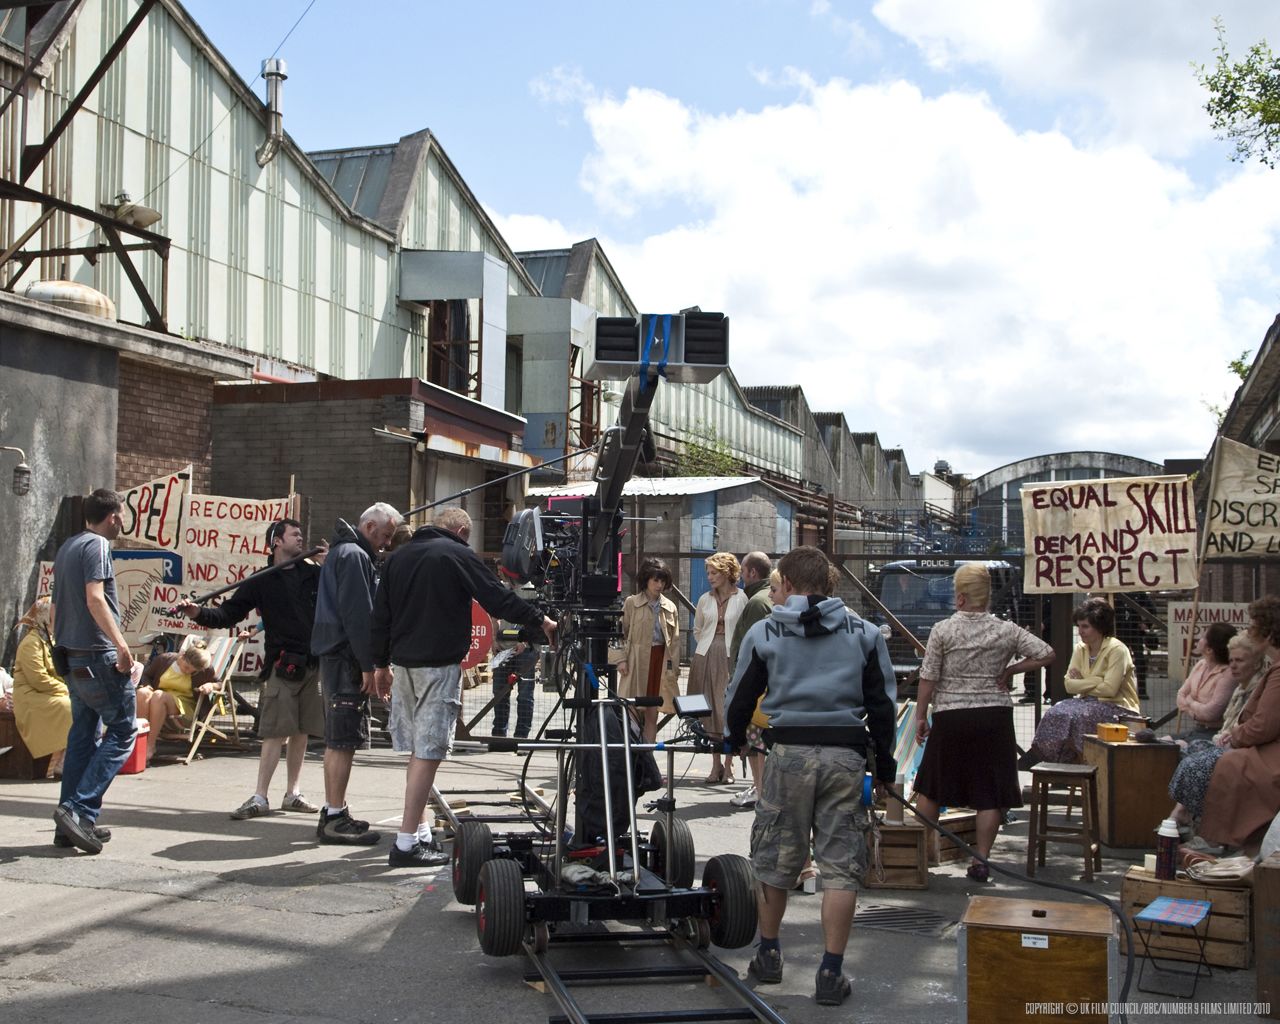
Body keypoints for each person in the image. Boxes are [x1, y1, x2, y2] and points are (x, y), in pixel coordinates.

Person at [725, 545, 897, 1007]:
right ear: (825, 584)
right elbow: (882, 708)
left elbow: (741, 696)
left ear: (790, 583)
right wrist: (886, 768)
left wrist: (732, 740)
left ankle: (770, 955)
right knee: (840, 868)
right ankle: (830, 972)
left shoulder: (765, 631)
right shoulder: (864, 633)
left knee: (776, 860)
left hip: (788, 756)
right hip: (846, 756)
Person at [371, 507, 556, 867]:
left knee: (416, 752)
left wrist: (379, 665)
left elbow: (380, 616)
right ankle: (406, 843)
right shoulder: (456, 554)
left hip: (403, 665)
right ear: (459, 531)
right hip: (438, 667)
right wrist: (540, 619)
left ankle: (421, 832)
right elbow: (496, 598)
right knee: (428, 752)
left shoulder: (397, 558)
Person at [911, 564, 1056, 882]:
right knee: (988, 791)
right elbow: (1046, 653)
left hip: (952, 715)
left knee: (931, 786)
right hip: (994, 717)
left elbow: (928, 677)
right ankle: (981, 860)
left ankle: (920, 856)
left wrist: (921, 716)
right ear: (987, 595)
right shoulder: (1006, 630)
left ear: (960, 597)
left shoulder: (944, 630)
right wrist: (1011, 671)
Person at [179, 518, 327, 820]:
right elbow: (227, 614)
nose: (301, 539)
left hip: (314, 662)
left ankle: (292, 793)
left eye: (302, 534)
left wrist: (331, 564)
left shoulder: (313, 574)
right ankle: (260, 795)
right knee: (276, 732)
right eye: (294, 535)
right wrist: (198, 613)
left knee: (301, 731)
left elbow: (341, 592)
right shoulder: (262, 579)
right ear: (276, 542)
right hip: (282, 663)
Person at [48, 488, 136, 854]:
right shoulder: (98, 546)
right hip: (98, 656)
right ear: (113, 516)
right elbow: (95, 597)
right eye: (121, 517)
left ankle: (72, 825)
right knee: (123, 730)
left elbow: (53, 608)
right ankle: (78, 809)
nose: (121, 523)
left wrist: (61, 646)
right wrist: (121, 644)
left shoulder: (68, 547)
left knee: (83, 734)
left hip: (71, 655)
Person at [312, 502, 402, 845]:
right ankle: (334, 815)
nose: (387, 543)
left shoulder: (344, 552)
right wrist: (371, 664)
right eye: (385, 535)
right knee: (342, 740)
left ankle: (335, 810)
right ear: (368, 527)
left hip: (339, 655)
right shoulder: (353, 556)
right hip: (344, 658)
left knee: (341, 739)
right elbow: (359, 614)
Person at [1195, 597, 1280, 851]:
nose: (1249, 630)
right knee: (1209, 759)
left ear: (1268, 632)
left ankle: (1219, 838)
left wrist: (1235, 736)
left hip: (1269, 753)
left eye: (1253, 625)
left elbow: (1263, 725)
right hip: (1261, 745)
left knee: (1215, 763)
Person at [1020, 598, 1139, 768]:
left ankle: (1071, 760)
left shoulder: (1117, 650)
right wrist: (1098, 680)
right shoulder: (1080, 648)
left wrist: (1083, 681)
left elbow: (1110, 690)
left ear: (1099, 627)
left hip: (1118, 708)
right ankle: (1045, 755)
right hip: (1087, 703)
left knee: (1077, 715)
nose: (1081, 631)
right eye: (1079, 626)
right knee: (1056, 711)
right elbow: (1069, 685)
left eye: (1085, 626)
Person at [1168, 632, 1265, 831]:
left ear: (1255, 664)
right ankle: (1183, 815)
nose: (1234, 666)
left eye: (1239, 660)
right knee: (1168, 746)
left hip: (1246, 749)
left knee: (1195, 759)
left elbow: (1212, 713)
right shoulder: (1239, 689)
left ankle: (1188, 819)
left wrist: (1190, 705)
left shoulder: (1257, 689)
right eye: (1232, 660)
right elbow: (1181, 696)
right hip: (1218, 738)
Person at [687, 552, 746, 784]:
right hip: (706, 654)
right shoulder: (704, 599)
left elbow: (743, 630)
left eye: (714, 573)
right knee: (708, 710)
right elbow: (698, 628)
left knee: (726, 710)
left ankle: (729, 766)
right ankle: (715, 765)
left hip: (730, 657)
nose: (710, 577)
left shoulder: (742, 599)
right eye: (708, 573)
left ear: (726, 573)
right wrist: (707, 646)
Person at [615, 557, 680, 743]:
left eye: (662, 581)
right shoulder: (631, 603)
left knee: (653, 715)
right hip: (635, 662)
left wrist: (673, 669)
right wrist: (620, 659)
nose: (659, 585)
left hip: (659, 663)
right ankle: (632, 760)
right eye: (655, 580)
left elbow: (675, 642)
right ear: (646, 580)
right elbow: (620, 634)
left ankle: (648, 761)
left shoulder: (671, 607)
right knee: (632, 711)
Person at [727, 552, 774, 808]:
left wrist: (737, 677)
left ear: (752, 573)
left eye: (743, 571)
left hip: (757, 685)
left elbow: (754, 646)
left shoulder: (757, 602)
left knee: (755, 740)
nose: (741, 576)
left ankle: (760, 789)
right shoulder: (763, 597)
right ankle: (760, 787)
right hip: (765, 684)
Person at [10, 598, 71, 780]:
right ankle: (59, 763)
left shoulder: (50, 640)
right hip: (30, 696)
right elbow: (38, 679)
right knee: (70, 706)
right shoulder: (31, 643)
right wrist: (66, 690)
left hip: (47, 692)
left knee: (84, 705)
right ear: (45, 618)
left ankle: (62, 761)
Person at [135, 641, 215, 765]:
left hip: (185, 708)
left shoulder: (204, 669)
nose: (188, 672)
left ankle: (150, 745)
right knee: (142, 693)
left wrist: (210, 684)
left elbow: (219, 683)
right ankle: (140, 743)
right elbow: (147, 675)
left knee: (158, 695)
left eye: (192, 671)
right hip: (158, 702)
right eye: (187, 667)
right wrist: (148, 686)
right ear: (182, 656)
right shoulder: (164, 659)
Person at [1169, 622, 1237, 742]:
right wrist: (1198, 709)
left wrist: (1190, 702)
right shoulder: (1201, 664)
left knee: (1172, 747)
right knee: (1161, 741)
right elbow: (1180, 695)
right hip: (1197, 729)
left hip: (1216, 734)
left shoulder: (1228, 675)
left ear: (1209, 649)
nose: (1198, 640)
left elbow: (1211, 714)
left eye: (1203, 637)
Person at [1115, 591, 1155, 699]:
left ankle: (1142, 691)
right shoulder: (1114, 592)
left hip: (1134, 632)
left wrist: (1146, 624)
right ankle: (1118, 689)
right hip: (1119, 632)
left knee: (1139, 661)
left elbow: (1152, 609)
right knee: (1119, 662)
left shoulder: (1138, 591)